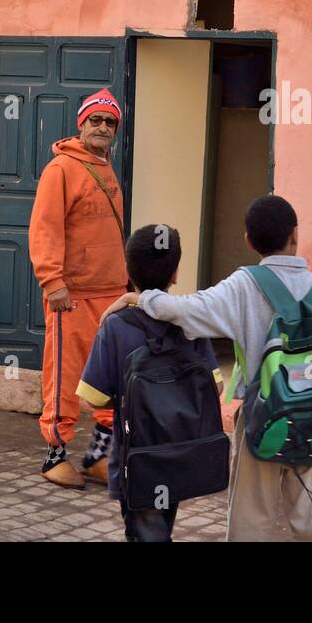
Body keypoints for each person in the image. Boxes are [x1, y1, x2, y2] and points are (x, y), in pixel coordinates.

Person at [103, 195, 312, 542]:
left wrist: (140, 298)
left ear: (247, 240)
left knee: (251, 520)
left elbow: (187, 310)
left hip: (264, 419)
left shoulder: (245, 284)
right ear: (295, 234)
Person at [77, 224, 222, 541]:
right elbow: (216, 386)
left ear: (128, 270)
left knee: (146, 531)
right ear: (175, 274)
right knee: (160, 523)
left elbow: (93, 396)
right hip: (180, 451)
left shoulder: (116, 326)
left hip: (137, 457)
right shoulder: (189, 322)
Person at [29, 88, 129, 489]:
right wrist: (52, 282)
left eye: (110, 122)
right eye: (96, 120)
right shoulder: (62, 169)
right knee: (65, 378)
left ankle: (98, 457)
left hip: (110, 292)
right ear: (81, 124)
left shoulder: (106, 166)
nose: (103, 127)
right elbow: (44, 228)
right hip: (70, 296)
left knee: (110, 377)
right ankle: (54, 457)